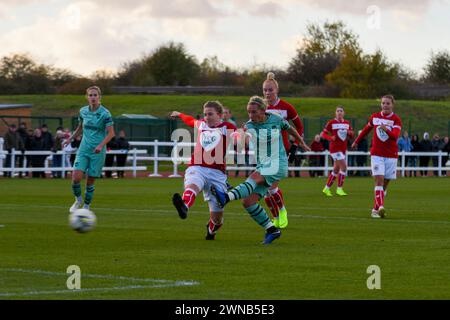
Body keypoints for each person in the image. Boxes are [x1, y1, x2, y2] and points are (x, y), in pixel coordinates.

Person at [211, 96, 310, 244]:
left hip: (278, 163)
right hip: (263, 165)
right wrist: (239, 141)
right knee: (248, 202)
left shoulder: (276, 119)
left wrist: (301, 143)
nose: (251, 115)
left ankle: (226, 197)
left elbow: (291, 129)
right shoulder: (249, 125)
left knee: (253, 178)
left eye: (254, 112)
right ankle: (272, 229)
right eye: (249, 112)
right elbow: (241, 144)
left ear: (263, 111)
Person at [170, 101, 237, 240]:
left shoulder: (227, 127)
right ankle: (184, 207)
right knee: (193, 185)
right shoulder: (202, 124)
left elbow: (237, 136)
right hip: (197, 166)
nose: (207, 117)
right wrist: (179, 114)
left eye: (210, 114)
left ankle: (211, 230)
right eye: (205, 114)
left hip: (217, 174)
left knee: (217, 219)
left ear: (219, 115)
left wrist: (240, 137)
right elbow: (190, 120)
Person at [262, 72, 304, 229]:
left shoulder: (286, 107)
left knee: (271, 188)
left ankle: (282, 210)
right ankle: (275, 217)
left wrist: (294, 145)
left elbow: (299, 126)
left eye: (270, 90)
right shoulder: (261, 107)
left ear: (276, 90)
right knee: (265, 191)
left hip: (281, 151)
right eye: (265, 90)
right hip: (264, 152)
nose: (267, 93)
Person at [63, 86, 115, 213]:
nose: (92, 97)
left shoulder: (105, 113)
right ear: (87, 97)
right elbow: (80, 127)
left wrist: (100, 145)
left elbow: (111, 133)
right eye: (90, 95)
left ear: (99, 97)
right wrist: (70, 138)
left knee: (90, 180)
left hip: (97, 152)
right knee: (76, 177)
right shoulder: (83, 111)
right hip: (84, 149)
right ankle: (78, 200)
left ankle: (86, 206)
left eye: (95, 95)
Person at [351, 95, 402, 219]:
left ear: (392, 105)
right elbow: (365, 130)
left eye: (388, 103)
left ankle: (375, 209)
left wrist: (386, 130)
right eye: (383, 103)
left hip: (391, 155)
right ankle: (381, 207)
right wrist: (356, 141)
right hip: (376, 153)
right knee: (378, 180)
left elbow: (395, 136)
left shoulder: (396, 120)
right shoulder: (375, 117)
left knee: (385, 183)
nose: (385, 105)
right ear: (381, 104)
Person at [321, 106, 354, 196]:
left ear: (344, 113)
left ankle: (326, 188)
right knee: (344, 167)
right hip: (335, 148)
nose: (339, 112)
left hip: (343, 149)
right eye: (338, 111)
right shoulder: (331, 122)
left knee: (336, 170)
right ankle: (339, 189)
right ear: (335, 113)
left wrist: (350, 133)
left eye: (341, 111)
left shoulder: (347, 123)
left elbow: (351, 134)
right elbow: (323, 134)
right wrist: (330, 137)